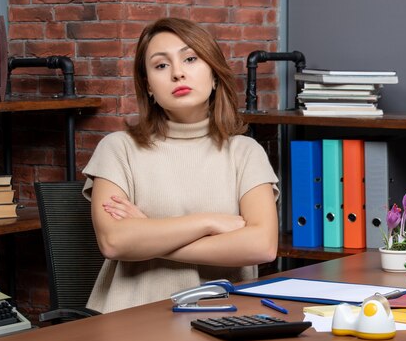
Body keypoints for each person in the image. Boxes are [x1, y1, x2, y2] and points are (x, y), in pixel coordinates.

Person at [82, 18, 279, 313]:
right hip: (130, 318)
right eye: (161, 65)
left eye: (190, 59)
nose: (177, 73)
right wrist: (208, 223)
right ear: (148, 85)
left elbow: (261, 246)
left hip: (222, 316)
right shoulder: (117, 149)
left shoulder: (245, 153)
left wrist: (147, 233)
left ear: (214, 75)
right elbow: (114, 242)